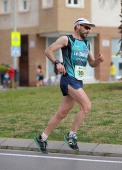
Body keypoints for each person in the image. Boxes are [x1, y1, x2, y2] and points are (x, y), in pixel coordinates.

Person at [34, 18, 104, 153]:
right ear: (78, 26)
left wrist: (98, 61)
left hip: (78, 80)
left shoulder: (87, 44)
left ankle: (41, 138)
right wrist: (57, 63)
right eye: (86, 27)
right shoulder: (66, 39)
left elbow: (92, 63)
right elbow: (48, 50)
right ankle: (71, 135)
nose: (88, 30)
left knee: (62, 113)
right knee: (86, 106)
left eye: (90, 28)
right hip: (68, 78)